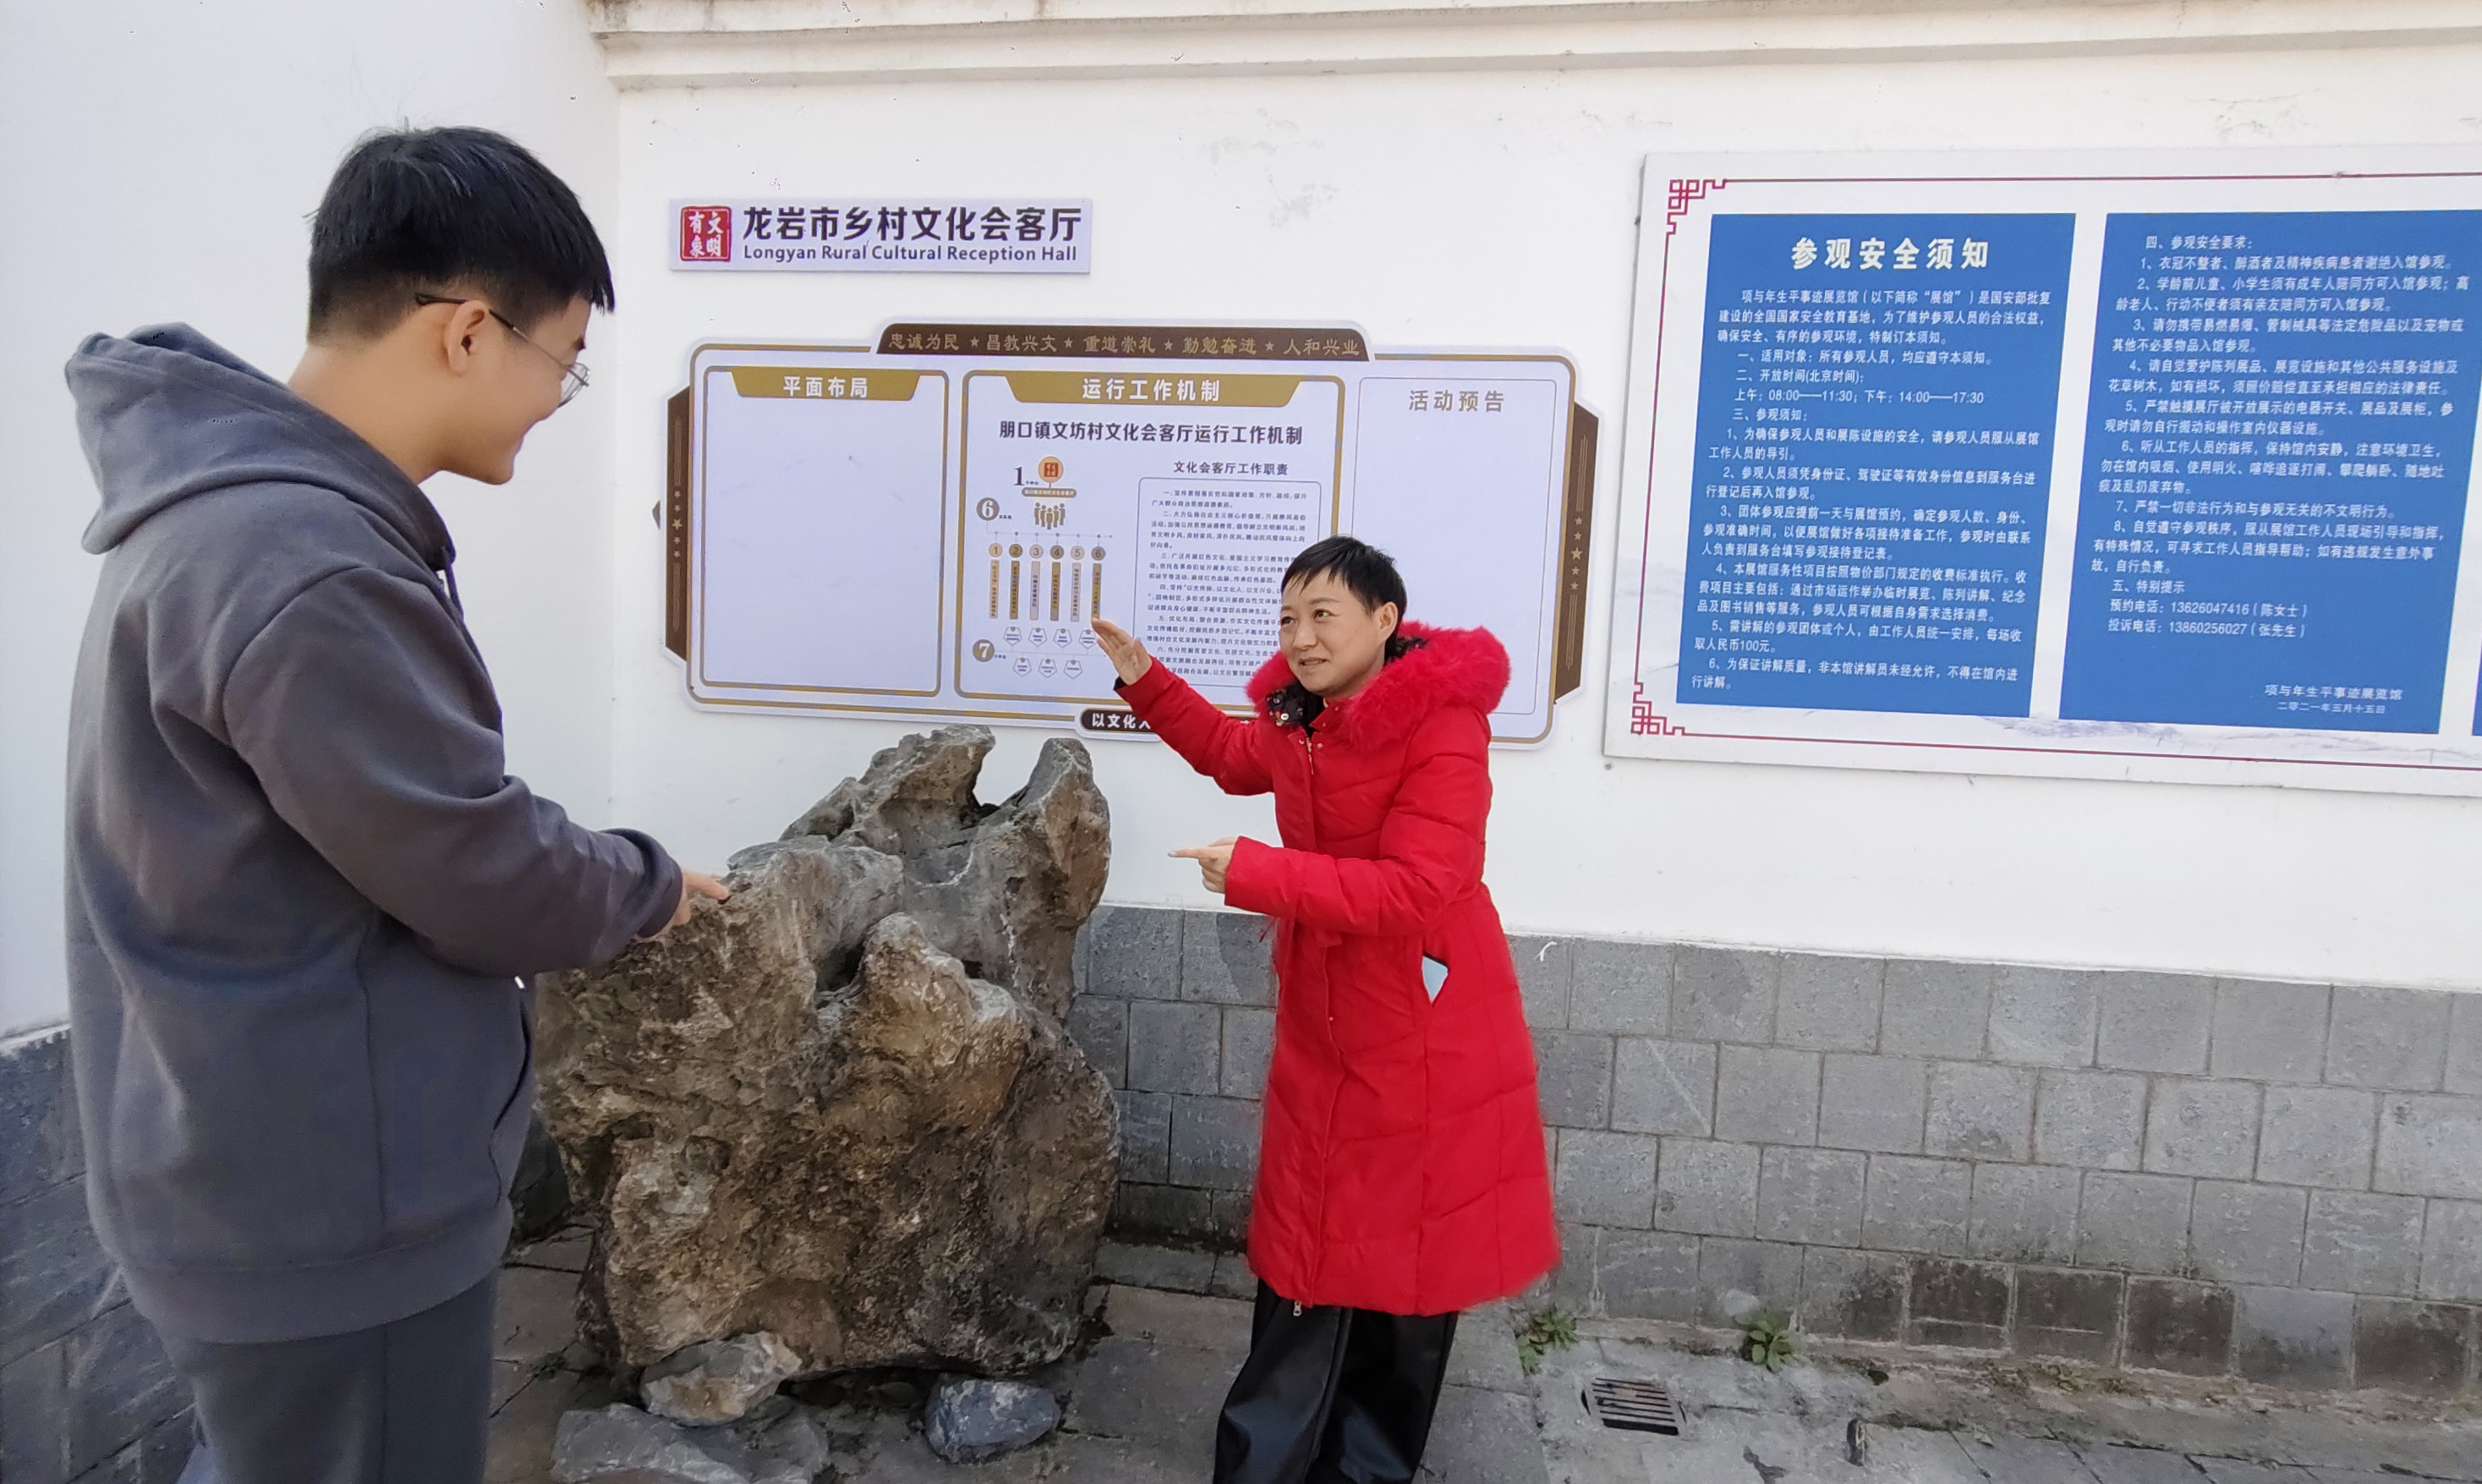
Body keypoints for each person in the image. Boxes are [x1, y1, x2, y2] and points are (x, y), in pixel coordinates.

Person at [62, 127, 727, 1484]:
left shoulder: (226, 518)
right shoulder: (302, 559)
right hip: (326, 1198)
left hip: (242, 1168)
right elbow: (471, 862)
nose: (559, 398)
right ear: (468, 330)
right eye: (565, 359)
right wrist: (648, 885)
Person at [1092, 536, 1558, 1484]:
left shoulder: (1441, 726)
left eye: (1321, 617)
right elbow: (1231, 757)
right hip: (1328, 1006)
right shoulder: (1300, 718)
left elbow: (1420, 887)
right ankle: (1274, 1456)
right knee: (1309, 1240)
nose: (1300, 638)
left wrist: (1257, 873)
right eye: (1287, 619)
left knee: (1406, 1252)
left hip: (1424, 1016)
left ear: (1384, 621)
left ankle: (1361, 1463)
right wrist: (1146, 679)